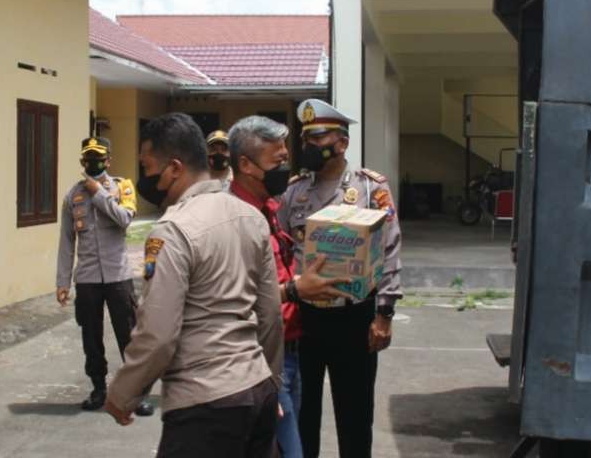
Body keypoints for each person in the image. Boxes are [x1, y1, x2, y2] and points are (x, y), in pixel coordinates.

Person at [104, 113, 284, 458]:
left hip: (204, 403)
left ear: (173, 168)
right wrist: (272, 382)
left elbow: (158, 334)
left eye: (146, 166)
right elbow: (270, 313)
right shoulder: (250, 217)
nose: (144, 178)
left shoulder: (172, 230)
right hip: (257, 390)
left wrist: (123, 395)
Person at [278, 99, 403, 458]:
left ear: (342, 143)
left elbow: (390, 250)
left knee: (355, 416)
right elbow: (282, 248)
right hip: (305, 319)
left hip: (355, 317)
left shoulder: (370, 189)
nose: (310, 147)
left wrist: (384, 314)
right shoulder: (294, 191)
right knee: (303, 416)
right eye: (307, 139)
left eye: (318, 137)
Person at [228, 116, 353, 458]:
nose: (285, 166)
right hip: (263, 358)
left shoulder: (270, 207)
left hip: (291, 348)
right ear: (245, 164)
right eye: (277, 161)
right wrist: (296, 290)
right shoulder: (235, 219)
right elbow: (233, 300)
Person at [56, 136, 153, 416]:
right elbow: (66, 242)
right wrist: (62, 282)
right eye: (88, 158)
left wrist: (98, 192)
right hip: (86, 278)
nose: (93, 162)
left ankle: (137, 393)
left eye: (99, 157)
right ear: (82, 161)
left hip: (118, 276)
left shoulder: (122, 187)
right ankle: (99, 388)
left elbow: (124, 219)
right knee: (91, 337)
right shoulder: (72, 195)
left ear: (108, 160)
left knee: (129, 336)